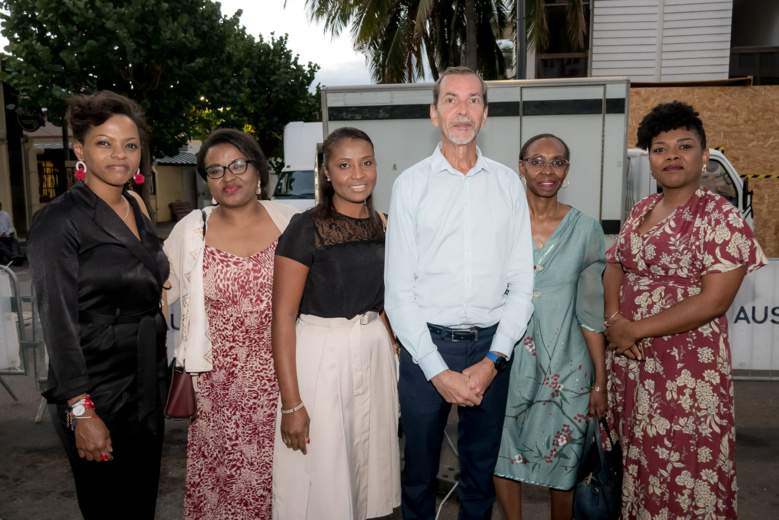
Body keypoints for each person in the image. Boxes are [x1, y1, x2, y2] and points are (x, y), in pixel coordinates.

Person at [604, 101, 767, 519]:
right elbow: (615, 264)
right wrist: (614, 320)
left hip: (685, 367)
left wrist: (634, 329)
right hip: (632, 359)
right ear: (650, 160)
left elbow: (714, 300)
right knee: (639, 461)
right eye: (660, 149)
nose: (672, 156)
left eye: (684, 146)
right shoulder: (641, 209)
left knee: (682, 462)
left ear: (705, 156)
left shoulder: (720, 217)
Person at [384, 66, 535, 519]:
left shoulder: (508, 184)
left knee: (480, 476)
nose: (462, 110)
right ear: (434, 114)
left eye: (473, 100)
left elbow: (522, 285)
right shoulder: (411, 185)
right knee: (418, 475)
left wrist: (493, 361)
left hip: (492, 345)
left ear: (485, 115)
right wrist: (436, 370)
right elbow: (398, 292)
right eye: (451, 99)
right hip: (424, 347)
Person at [27, 90, 169, 519]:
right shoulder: (59, 220)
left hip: (146, 377)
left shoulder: (136, 208)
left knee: (140, 503)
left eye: (130, 145)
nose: (119, 155)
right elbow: (57, 323)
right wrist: (80, 410)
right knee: (107, 506)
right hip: (94, 386)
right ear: (79, 150)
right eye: (104, 143)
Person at [164, 128, 297, 519]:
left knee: (287, 478)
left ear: (258, 171)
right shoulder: (192, 231)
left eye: (238, 165)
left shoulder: (292, 223)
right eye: (216, 170)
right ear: (206, 181)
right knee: (226, 484)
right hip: (216, 386)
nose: (228, 176)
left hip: (283, 378)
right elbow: (157, 293)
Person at [272, 127, 401, 520]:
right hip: (322, 356)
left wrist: (394, 353)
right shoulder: (304, 227)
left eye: (366, 162)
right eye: (344, 165)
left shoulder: (384, 223)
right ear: (327, 172)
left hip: (374, 353)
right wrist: (291, 404)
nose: (357, 174)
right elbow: (282, 317)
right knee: (322, 472)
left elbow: (387, 301)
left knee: (367, 468)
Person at [492, 134, 608, 520]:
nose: (547, 169)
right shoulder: (499, 225)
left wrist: (600, 381)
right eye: (537, 160)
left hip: (568, 366)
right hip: (505, 360)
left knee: (565, 456)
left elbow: (591, 311)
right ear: (521, 167)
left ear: (567, 170)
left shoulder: (585, 229)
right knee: (502, 450)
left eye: (557, 162)